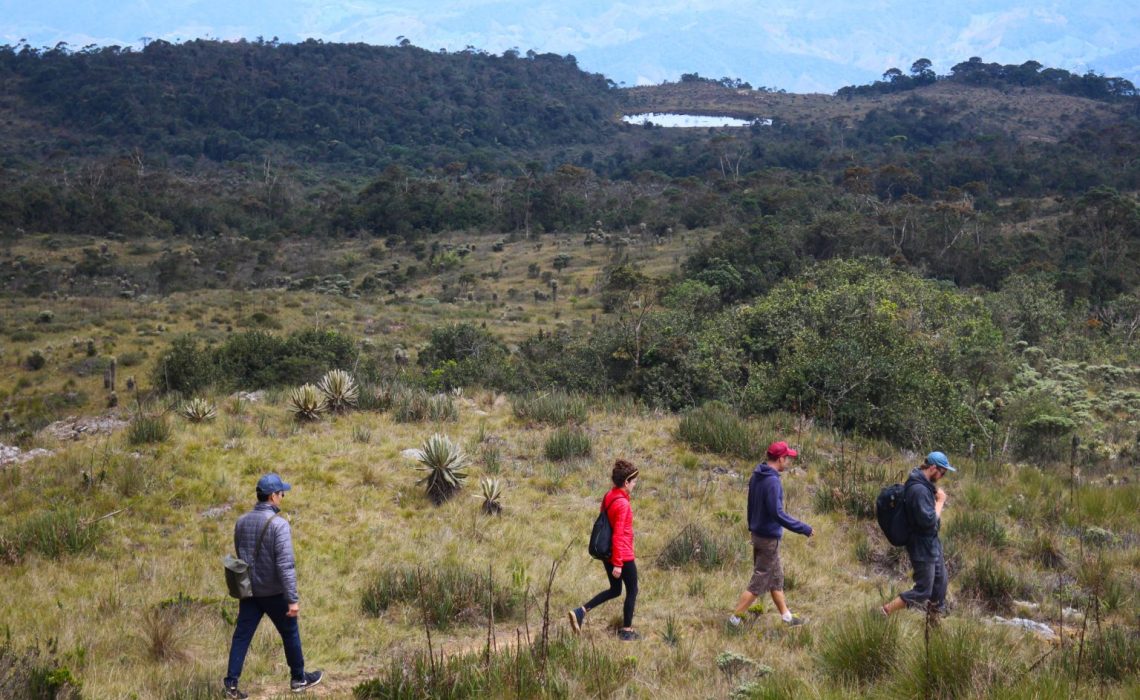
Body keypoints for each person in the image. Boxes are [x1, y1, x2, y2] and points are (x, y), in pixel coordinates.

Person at [224, 473, 323, 698]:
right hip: (274, 592)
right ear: (271, 496)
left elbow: (242, 555)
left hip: (249, 592)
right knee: (290, 634)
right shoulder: (279, 525)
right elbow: (285, 565)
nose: (283, 496)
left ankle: (231, 684)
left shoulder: (241, 522)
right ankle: (298, 679)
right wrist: (293, 599)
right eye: (281, 493)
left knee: (241, 636)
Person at [728, 441, 813, 627]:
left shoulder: (757, 475)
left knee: (776, 578)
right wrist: (803, 528)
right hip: (767, 539)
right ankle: (734, 620)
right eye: (787, 458)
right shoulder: (773, 481)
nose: (788, 462)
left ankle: (787, 617)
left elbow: (750, 505)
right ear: (780, 458)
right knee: (759, 581)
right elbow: (778, 513)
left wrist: (752, 526)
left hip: (758, 534)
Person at [567, 459, 641, 641]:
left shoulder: (609, 496)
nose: (635, 484)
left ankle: (580, 611)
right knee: (632, 590)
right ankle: (627, 630)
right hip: (622, 555)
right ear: (626, 482)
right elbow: (618, 535)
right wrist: (618, 564)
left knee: (615, 590)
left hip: (607, 553)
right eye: (634, 481)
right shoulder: (623, 504)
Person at [882, 451, 955, 617]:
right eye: (942, 472)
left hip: (932, 543)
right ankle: (885, 611)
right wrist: (941, 501)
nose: (943, 476)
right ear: (932, 468)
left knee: (940, 584)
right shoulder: (918, 490)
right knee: (923, 590)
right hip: (921, 546)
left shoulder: (925, 484)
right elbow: (928, 520)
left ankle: (934, 622)